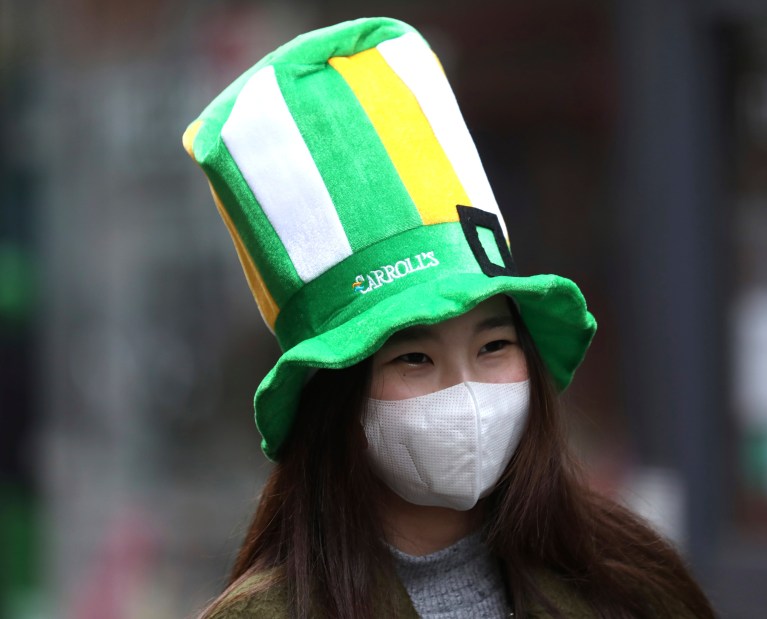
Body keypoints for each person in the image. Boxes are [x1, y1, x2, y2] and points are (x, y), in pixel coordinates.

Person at [183, 16, 716, 619]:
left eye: (493, 347)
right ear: (336, 393)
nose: (466, 394)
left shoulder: (631, 586)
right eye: (415, 358)